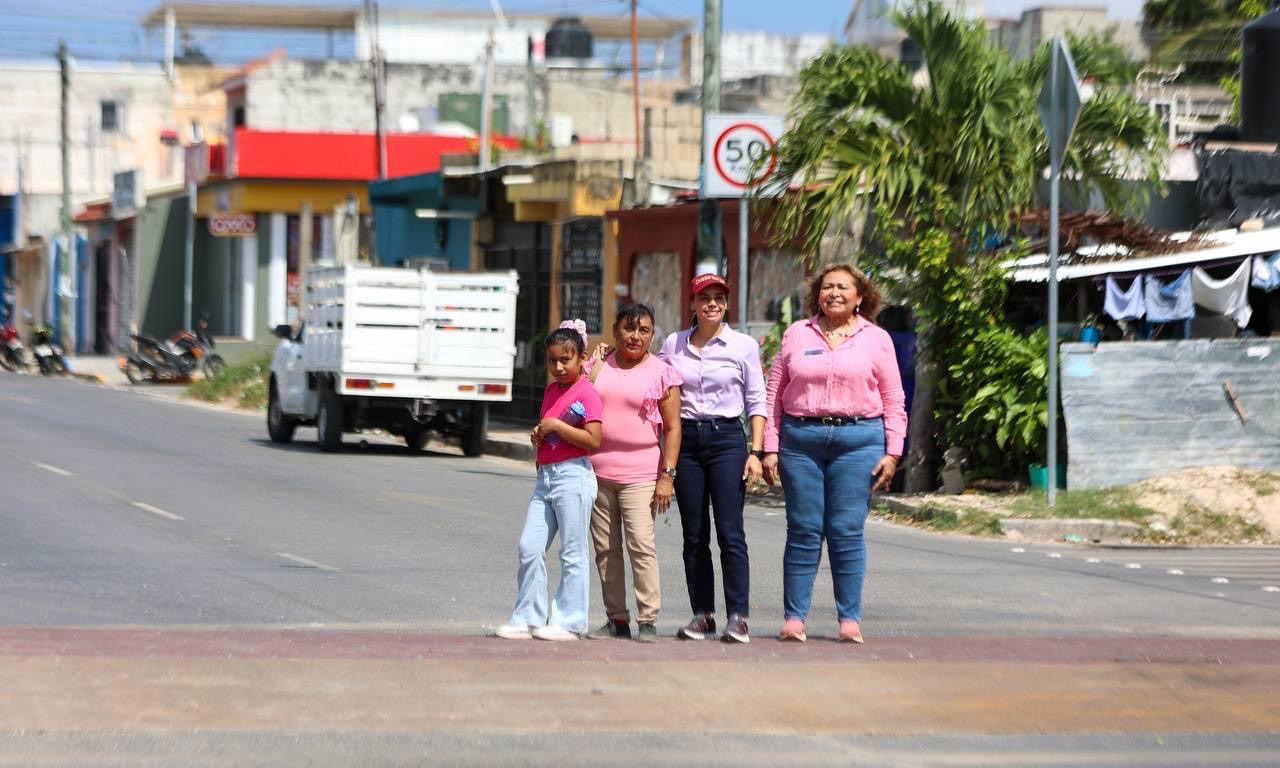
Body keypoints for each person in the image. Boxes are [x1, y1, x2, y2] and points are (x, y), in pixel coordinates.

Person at [762, 263, 906, 644]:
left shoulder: (876, 339)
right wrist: (769, 449)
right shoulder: (796, 334)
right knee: (804, 531)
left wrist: (893, 453)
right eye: (827, 287)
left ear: (861, 296)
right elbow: (774, 394)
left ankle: (849, 620)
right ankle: (794, 619)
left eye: (843, 287)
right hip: (801, 441)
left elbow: (893, 398)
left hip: (859, 442)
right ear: (817, 294)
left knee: (845, 531)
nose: (834, 293)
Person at [658, 273, 766, 644]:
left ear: (727, 304)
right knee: (694, 534)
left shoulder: (743, 346)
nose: (712, 304)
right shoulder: (674, 344)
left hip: (727, 441)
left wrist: (756, 451)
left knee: (730, 532)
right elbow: (654, 381)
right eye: (704, 298)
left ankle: (739, 616)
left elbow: (756, 399)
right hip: (686, 441)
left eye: (719, 297)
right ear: (691, 304)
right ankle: (702, 614)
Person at [496, 320, 603, 642]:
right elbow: (550, 429)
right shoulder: (551, 391)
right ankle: (528, 616)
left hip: (574, 476)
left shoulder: (587, 391)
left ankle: (569, 622)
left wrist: (556, 425)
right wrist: (539, 435)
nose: (558, 367)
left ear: (582, 358)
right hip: (546, 478)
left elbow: (593, 440)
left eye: (565, 360)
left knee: (572, 552)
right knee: (529, 546)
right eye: (552, 360)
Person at [587, 304, 683, 643]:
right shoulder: (598, 366)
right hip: (597, 474)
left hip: (641, 475)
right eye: (629, 329)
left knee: (641, 545)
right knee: (605, 549)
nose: (635, 336)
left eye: (644, 331)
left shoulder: (662, 373)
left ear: (652, 335)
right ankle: (616, 619)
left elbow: (672, 429)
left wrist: (666, 476)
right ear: (615, 331)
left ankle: (647, 620)